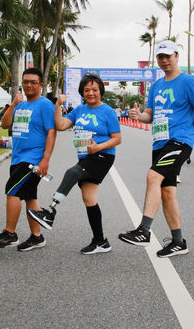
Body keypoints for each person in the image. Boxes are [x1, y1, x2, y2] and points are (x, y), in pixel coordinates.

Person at [118, 40, 194, 258]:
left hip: (179, 141)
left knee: (152, 177)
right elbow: (150, 115)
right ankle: (178, 242)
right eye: (160, 57)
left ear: (176, 56)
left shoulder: (188, 81)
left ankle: (144, 230)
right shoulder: (157, 86)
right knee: (167, 192)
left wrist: (189, 133)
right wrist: (138, 116)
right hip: (159, 142)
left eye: (168, 55)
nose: (164, 60)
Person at [27, 73, 122, 254]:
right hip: (86, 157)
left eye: (94, 89)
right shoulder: (79, 110)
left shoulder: (108, 111)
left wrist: (98, 147)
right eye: (87, 90)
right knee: (89, 200)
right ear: (82, 92)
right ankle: (101, 241)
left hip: (102, 156)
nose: (91, 93)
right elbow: (61, 125)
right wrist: (58, 105)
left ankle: (50, 212)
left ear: (100, 90)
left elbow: (117, 139)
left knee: (72, 173)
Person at [0, 68, 56, 251]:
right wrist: (14, 104)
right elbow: (6, 125)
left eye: (33, 82)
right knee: (29, 196)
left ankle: (10, 233)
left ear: (41, 85)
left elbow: (51, 132)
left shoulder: (45, 104)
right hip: (17, 158)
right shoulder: (21, 104)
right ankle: (37, 237)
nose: (29, 85)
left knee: (12, 190)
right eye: (26, 82)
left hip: (33, 159)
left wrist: (45, 160)